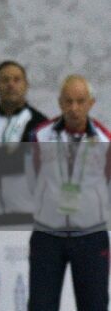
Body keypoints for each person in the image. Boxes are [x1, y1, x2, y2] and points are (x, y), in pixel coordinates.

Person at [27, 75, 111, 311]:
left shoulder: (105, 139)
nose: (74, 108)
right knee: (40, 306)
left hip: (91, 236)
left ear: (91, 103)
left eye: (80, 101)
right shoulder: (39, 136)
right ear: (60, 103)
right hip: (47, 236)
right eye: (68, 101)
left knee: (94, 306)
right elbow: (30, 177)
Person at [0, 60, 47, 226]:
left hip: (28, 214)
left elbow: (26, 162)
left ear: (26, 85)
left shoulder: (40, 124)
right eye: (5, 80)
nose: (10, 85)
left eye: (16, 79)